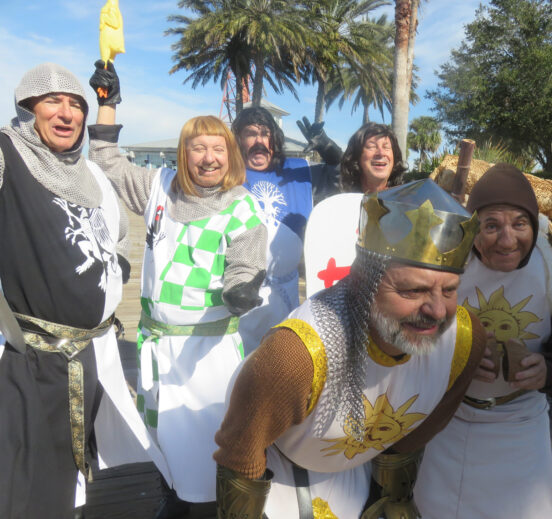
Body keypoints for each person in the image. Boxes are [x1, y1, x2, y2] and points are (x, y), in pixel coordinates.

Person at [213, 179, 488, 518]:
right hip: (279, 469)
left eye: (448, 290)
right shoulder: (295, 356)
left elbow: (415, 433)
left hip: (356, 469)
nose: (436, 310)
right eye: (413, 291)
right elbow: (241, 454)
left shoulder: (464, 340)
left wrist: (391, 498)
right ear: (361, 282)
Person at [88, 61, 267, 517]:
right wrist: (106, 107)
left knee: (210, 454)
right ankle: (174, 499)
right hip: (156, 349)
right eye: (197, 148)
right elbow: (107, 163)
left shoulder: (242, 206)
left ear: (231, 155)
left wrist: (241, 288)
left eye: (217, 149)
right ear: (182, 155)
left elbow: (246, 261)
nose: (208, 158)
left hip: (207, 356)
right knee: (165, 443)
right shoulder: (158, 187)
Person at [0, 62, 170, 519]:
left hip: (93, 353)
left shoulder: (91, 175)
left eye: (76, 103)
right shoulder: (8, 154)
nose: (67, 112)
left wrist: (108, 276)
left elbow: (117, 240)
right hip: (33, 359)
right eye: (53, 100)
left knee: (76, 470)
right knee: (26, 476)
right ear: (27, 107)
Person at [414, 164, 552, 519]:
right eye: (492, 225)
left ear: (534, 226)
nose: (507, 240)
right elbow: (411, 336)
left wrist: (550, 370)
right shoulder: (448, 266)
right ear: (473, 228)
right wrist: (455, 358)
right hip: (450, 423)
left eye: (519, 224)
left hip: (521, 428)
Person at [231, 107, 341, 352]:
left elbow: (341, 176)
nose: (259, 140)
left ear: (275, 140)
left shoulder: (299, 173)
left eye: (265, 133)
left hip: (285, 297)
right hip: (238, 295)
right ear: (238, 139)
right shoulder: (226, 174)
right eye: (250, 133)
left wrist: (328, 149)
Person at [339, 121, 406, 193]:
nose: (381, 153)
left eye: (386, 147)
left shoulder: (408, 200)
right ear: (356, 157)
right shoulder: (342, 201)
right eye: (372, 146)